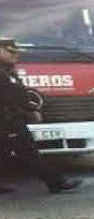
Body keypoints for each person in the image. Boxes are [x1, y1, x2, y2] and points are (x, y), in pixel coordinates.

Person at [0, 38, 81, 194]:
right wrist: (30, 110)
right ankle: (56, 182)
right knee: (28, 151)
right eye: (10, 52)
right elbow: (12, 95)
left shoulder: (7, 69)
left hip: (8, 118)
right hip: (7, 120)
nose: (15, 56)